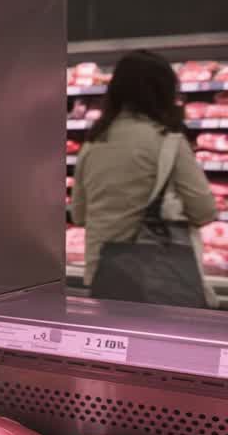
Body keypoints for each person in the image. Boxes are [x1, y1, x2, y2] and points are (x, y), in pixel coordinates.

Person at [71, 49, 219, 307]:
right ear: (164, 92)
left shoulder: (93, 144)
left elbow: (79, 215)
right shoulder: (168, 141)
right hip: (159, 275)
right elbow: (204, 210)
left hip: (104, 274)